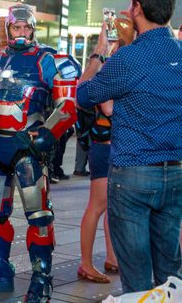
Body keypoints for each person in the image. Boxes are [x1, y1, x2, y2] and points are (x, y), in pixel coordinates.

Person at [0, 4, 80, 302]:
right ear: (8, 28)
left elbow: (67, 107)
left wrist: (47, 135)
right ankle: (0, 266)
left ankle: (42, 277)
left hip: (28, 147)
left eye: (27, 28)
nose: (22, 33)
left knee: (39, 215)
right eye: (17, 28)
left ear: (34, 29)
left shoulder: (49, 60)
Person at [77, 0, 182, 293]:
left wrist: (100, 51)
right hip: (175, 172)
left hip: (134, 173)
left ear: (137, 8)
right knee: (170, 274)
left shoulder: (128, 58)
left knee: (135, 275)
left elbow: (84, 96)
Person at [78, 101, 117, 283]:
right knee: (97, 206)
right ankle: (86, 264)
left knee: (111, 206)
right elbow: (108, 109)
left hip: (110, 147)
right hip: (104, 147)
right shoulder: (105, 77)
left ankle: (112, 258)